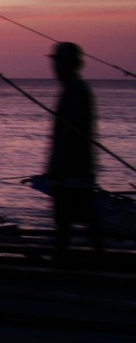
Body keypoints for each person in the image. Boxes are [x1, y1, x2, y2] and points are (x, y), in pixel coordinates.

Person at [44, 41, 102, 261]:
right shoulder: (72, 91)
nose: (56, 68)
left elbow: (69, 136)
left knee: (69, 221)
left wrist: (56, 168)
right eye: (56, 62)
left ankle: (66, 265)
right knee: (74, 220)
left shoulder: (76, 92)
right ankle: (91, 260)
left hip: (73, 172)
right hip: (74, 171)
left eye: (60, 63)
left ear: (72, 65)